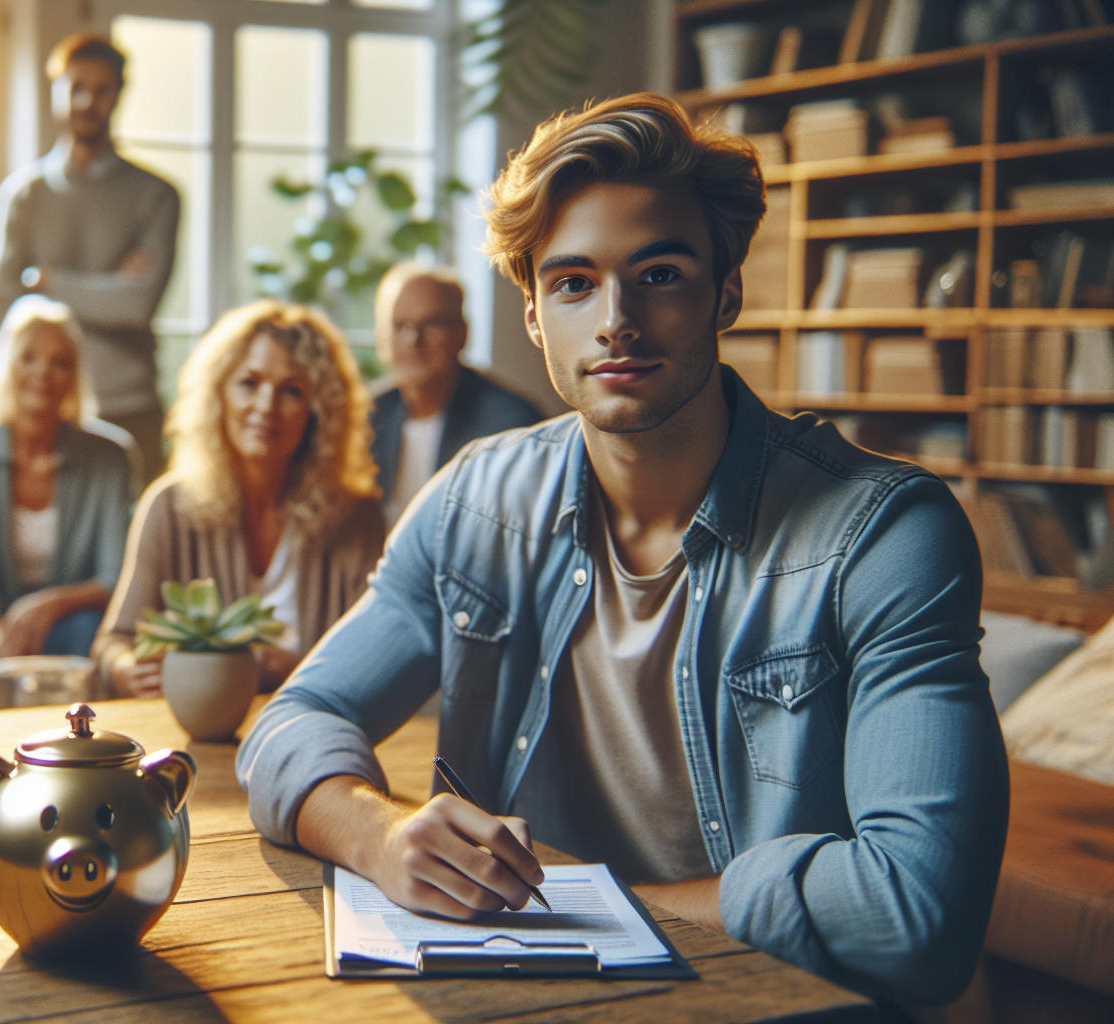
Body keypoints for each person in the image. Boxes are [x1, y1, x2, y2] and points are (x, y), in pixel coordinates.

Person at [236, 94, 1007, 1007]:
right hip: (530, 998)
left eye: (660, 274)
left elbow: (918, 915)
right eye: (574, 283)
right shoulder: (475, 503)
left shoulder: (881, 534)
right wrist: (379, 837)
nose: (616, 320)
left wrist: (607, 916)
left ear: (726, 293)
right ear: (533, 314)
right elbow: (294, 720)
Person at [96, 300, 384, 698]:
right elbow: (113, 643)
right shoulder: (167, 506)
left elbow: (374, 662)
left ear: (318, 412)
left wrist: (293, 670)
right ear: (218, 394)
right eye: (249, 383)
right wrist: (127, 668)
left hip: (313, 720)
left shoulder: (357, 517)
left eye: (292, 391)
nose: (266, 405)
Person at [0, 32, 180, 480]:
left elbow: (135, 304)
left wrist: (45, 281)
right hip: (40, 412)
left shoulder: (156, 196)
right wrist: (106, 288)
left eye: (101, 89)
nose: (87, 101)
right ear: (55, 91)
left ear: (119, 95)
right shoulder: (23, 195)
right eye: (76, 88)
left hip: (129, 409)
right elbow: (3, 308)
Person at [0, 296, 135, 661]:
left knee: (87, 629)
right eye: (28, 357)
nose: (42, 372)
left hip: (71, 623)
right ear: (7, 365)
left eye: (59, 362)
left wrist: (45, 605)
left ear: (74, 377)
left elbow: (113, 576)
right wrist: (1, 644)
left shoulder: (111, 457)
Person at [368, 262, 540, 521]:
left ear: (462, 333)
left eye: (431, 324)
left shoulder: (510, 425)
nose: (413, 340)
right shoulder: (367, 414)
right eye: (400, 325)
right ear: (382, 337)